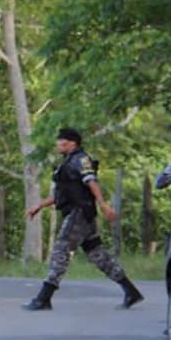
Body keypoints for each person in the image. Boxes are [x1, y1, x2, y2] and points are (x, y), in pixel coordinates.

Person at [23, 128, 144, 311]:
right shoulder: (67, 163)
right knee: (97, 253)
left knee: (61, 250)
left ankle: (43, 297)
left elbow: (91, 181)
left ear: (73, 143)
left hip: (79, 213)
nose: (59, 145)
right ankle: (130, 290)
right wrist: (39, 206)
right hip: (79, 213)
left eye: (62, 142)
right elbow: (61, 195)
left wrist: (103, 205)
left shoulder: (80, 159)